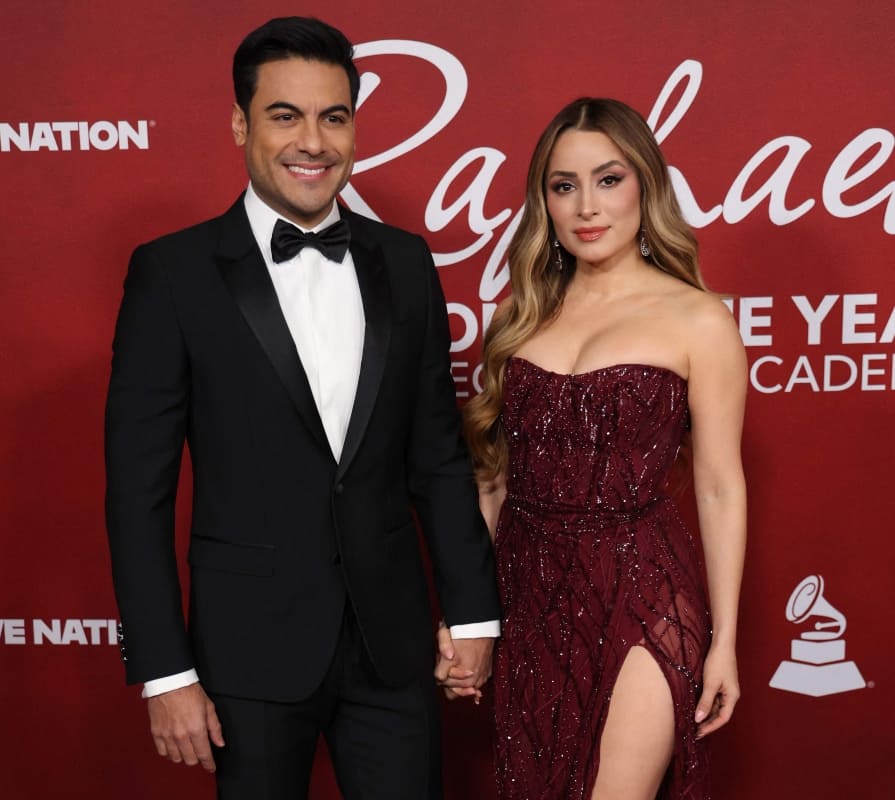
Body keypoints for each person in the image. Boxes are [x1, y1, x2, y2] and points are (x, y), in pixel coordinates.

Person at [105, 16, 500, 800]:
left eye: (334, 116)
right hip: (244, 656)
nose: (312, 141)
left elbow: (437, 455)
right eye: (285, 115)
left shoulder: (406, 263)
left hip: (393, 649)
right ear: (240, 123)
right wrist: (163, 669)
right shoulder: (173, 274)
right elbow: (135, 494)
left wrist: (474, 614)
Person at [436, 98, 746, 799]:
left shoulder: (697, 319)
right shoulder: (518, 316)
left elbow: (720, 486)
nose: (585, 206)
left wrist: (724, 641)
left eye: (608, 180)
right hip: (527, 590)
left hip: (641, 585)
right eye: (562, 185)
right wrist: (464, 613)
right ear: (542, 200)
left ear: (645, 184)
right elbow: (493, 479)